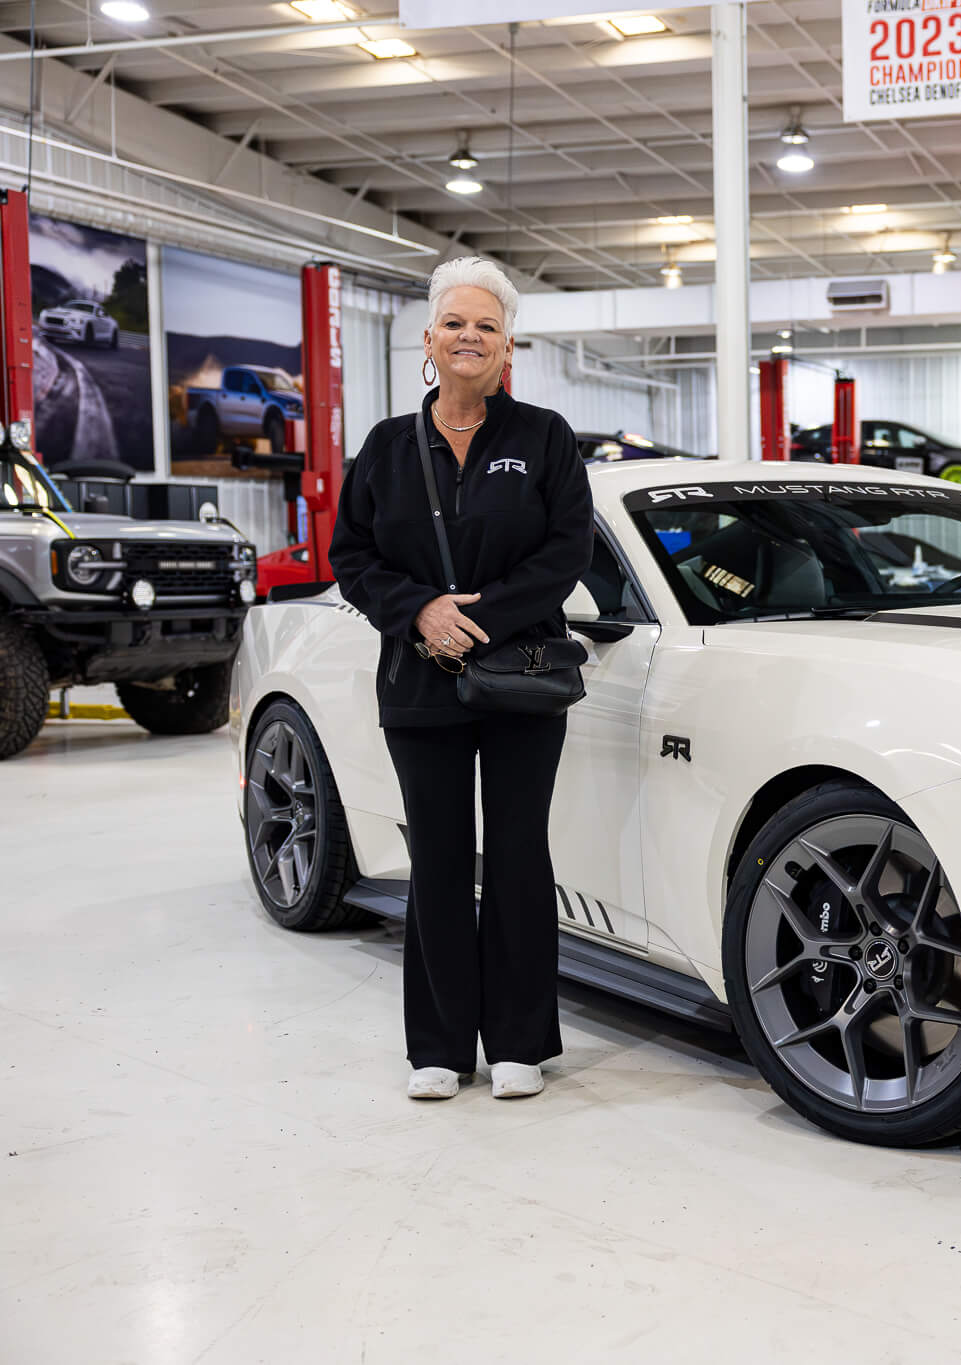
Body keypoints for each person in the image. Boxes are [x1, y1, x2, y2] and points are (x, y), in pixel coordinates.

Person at [329, 257, 593, 1101]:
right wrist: (419, 612)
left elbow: (567, 551)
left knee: (517, 855)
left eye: (486, 325)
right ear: (429, 342)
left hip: (519, 677)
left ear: (507, 344)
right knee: (438, 860)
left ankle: (520, 1039)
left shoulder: (544, 437)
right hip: (417, 682)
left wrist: (479, 620)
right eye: (455, 324)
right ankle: (437, 1047)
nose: (469, 337)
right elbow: (353, 556)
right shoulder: (383, 447)